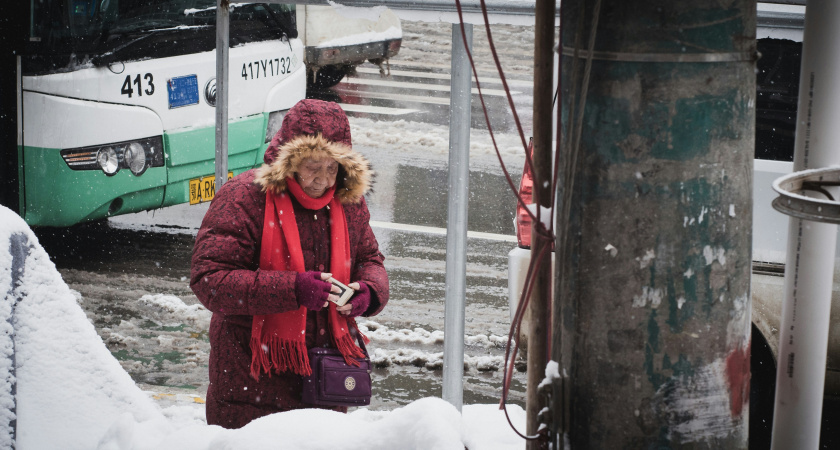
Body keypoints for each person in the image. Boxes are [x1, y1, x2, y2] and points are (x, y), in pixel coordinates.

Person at [190, 99, 389, 429]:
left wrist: (368, 292)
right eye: (313, 166)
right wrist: (293, 289)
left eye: (333, 167)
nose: (323, 180)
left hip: (325, 385)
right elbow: (210, 280)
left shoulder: (347, 201)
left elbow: (369, 259)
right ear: (290, 159)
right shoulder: (245, 197)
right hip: (251, 386)